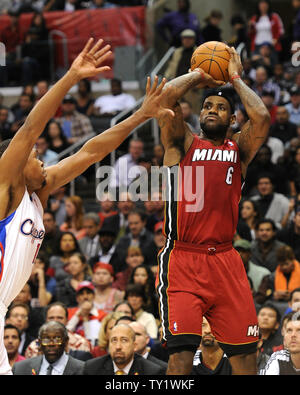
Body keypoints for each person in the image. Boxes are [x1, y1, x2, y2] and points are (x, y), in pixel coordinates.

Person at [0, 37, 173, 375]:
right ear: (18, 163)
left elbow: (91, 152)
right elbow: (30, 128)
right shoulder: (5, 186)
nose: (44, 163)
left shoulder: (40, 190)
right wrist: (72, 77)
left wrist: (141, 114)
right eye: (37, 158)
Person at [149, 43, 271, 375]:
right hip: (184, 258)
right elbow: (165, 99)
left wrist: (234, 77)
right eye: (207, 106)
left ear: (232, 118)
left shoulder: (239, 150)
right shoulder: (182, 142)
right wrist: (199, 74)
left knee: (245, 358)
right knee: (181, 357)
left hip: (227, 260)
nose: (212, 110)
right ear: (199, 115)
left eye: (220, 107)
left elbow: (260, 116)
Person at [83, 323, 165, 375]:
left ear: (134, 345)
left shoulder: (152, 372)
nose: (118, 346)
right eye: (114, 340)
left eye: (124, 340)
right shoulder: (92, 368)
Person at [13, 321, 85, 375]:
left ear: (66, 341)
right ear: (40, 343)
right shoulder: (20, 368)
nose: (51, 344)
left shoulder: (83, 370)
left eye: (57, 339)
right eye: (46, 339)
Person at [24, 301, 92, 359]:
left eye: (60, 318)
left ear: (67, 320)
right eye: (51, 318)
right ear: (46, 320)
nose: (55, 321)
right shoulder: (33, 347)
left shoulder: (81, 343)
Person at [66, 281, 107, 346]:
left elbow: (95, 338)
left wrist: (85, 317)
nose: (85, 297)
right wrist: (78, 315)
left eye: (88, 293)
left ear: (93, 296)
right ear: (77, 298)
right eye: (81, 294)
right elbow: (65, 333)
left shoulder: (102, 315)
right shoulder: (69, 312)